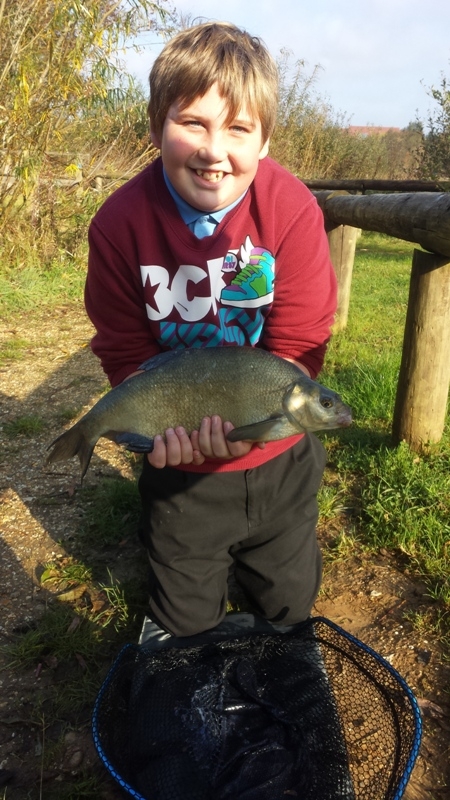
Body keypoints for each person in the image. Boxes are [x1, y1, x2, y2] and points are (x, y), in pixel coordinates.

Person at [84, 21, 337, 638]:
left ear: (265, 141)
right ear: (154, 127)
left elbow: (301, 340)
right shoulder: (119, 223)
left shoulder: (292, 210)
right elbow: (124, 348)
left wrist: (263, 427)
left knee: (287, 602)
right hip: (181, 471)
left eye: (239, 129)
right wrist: (154, 429)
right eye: (192, 123)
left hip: (281, 460)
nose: (214, 149)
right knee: (183, 620)